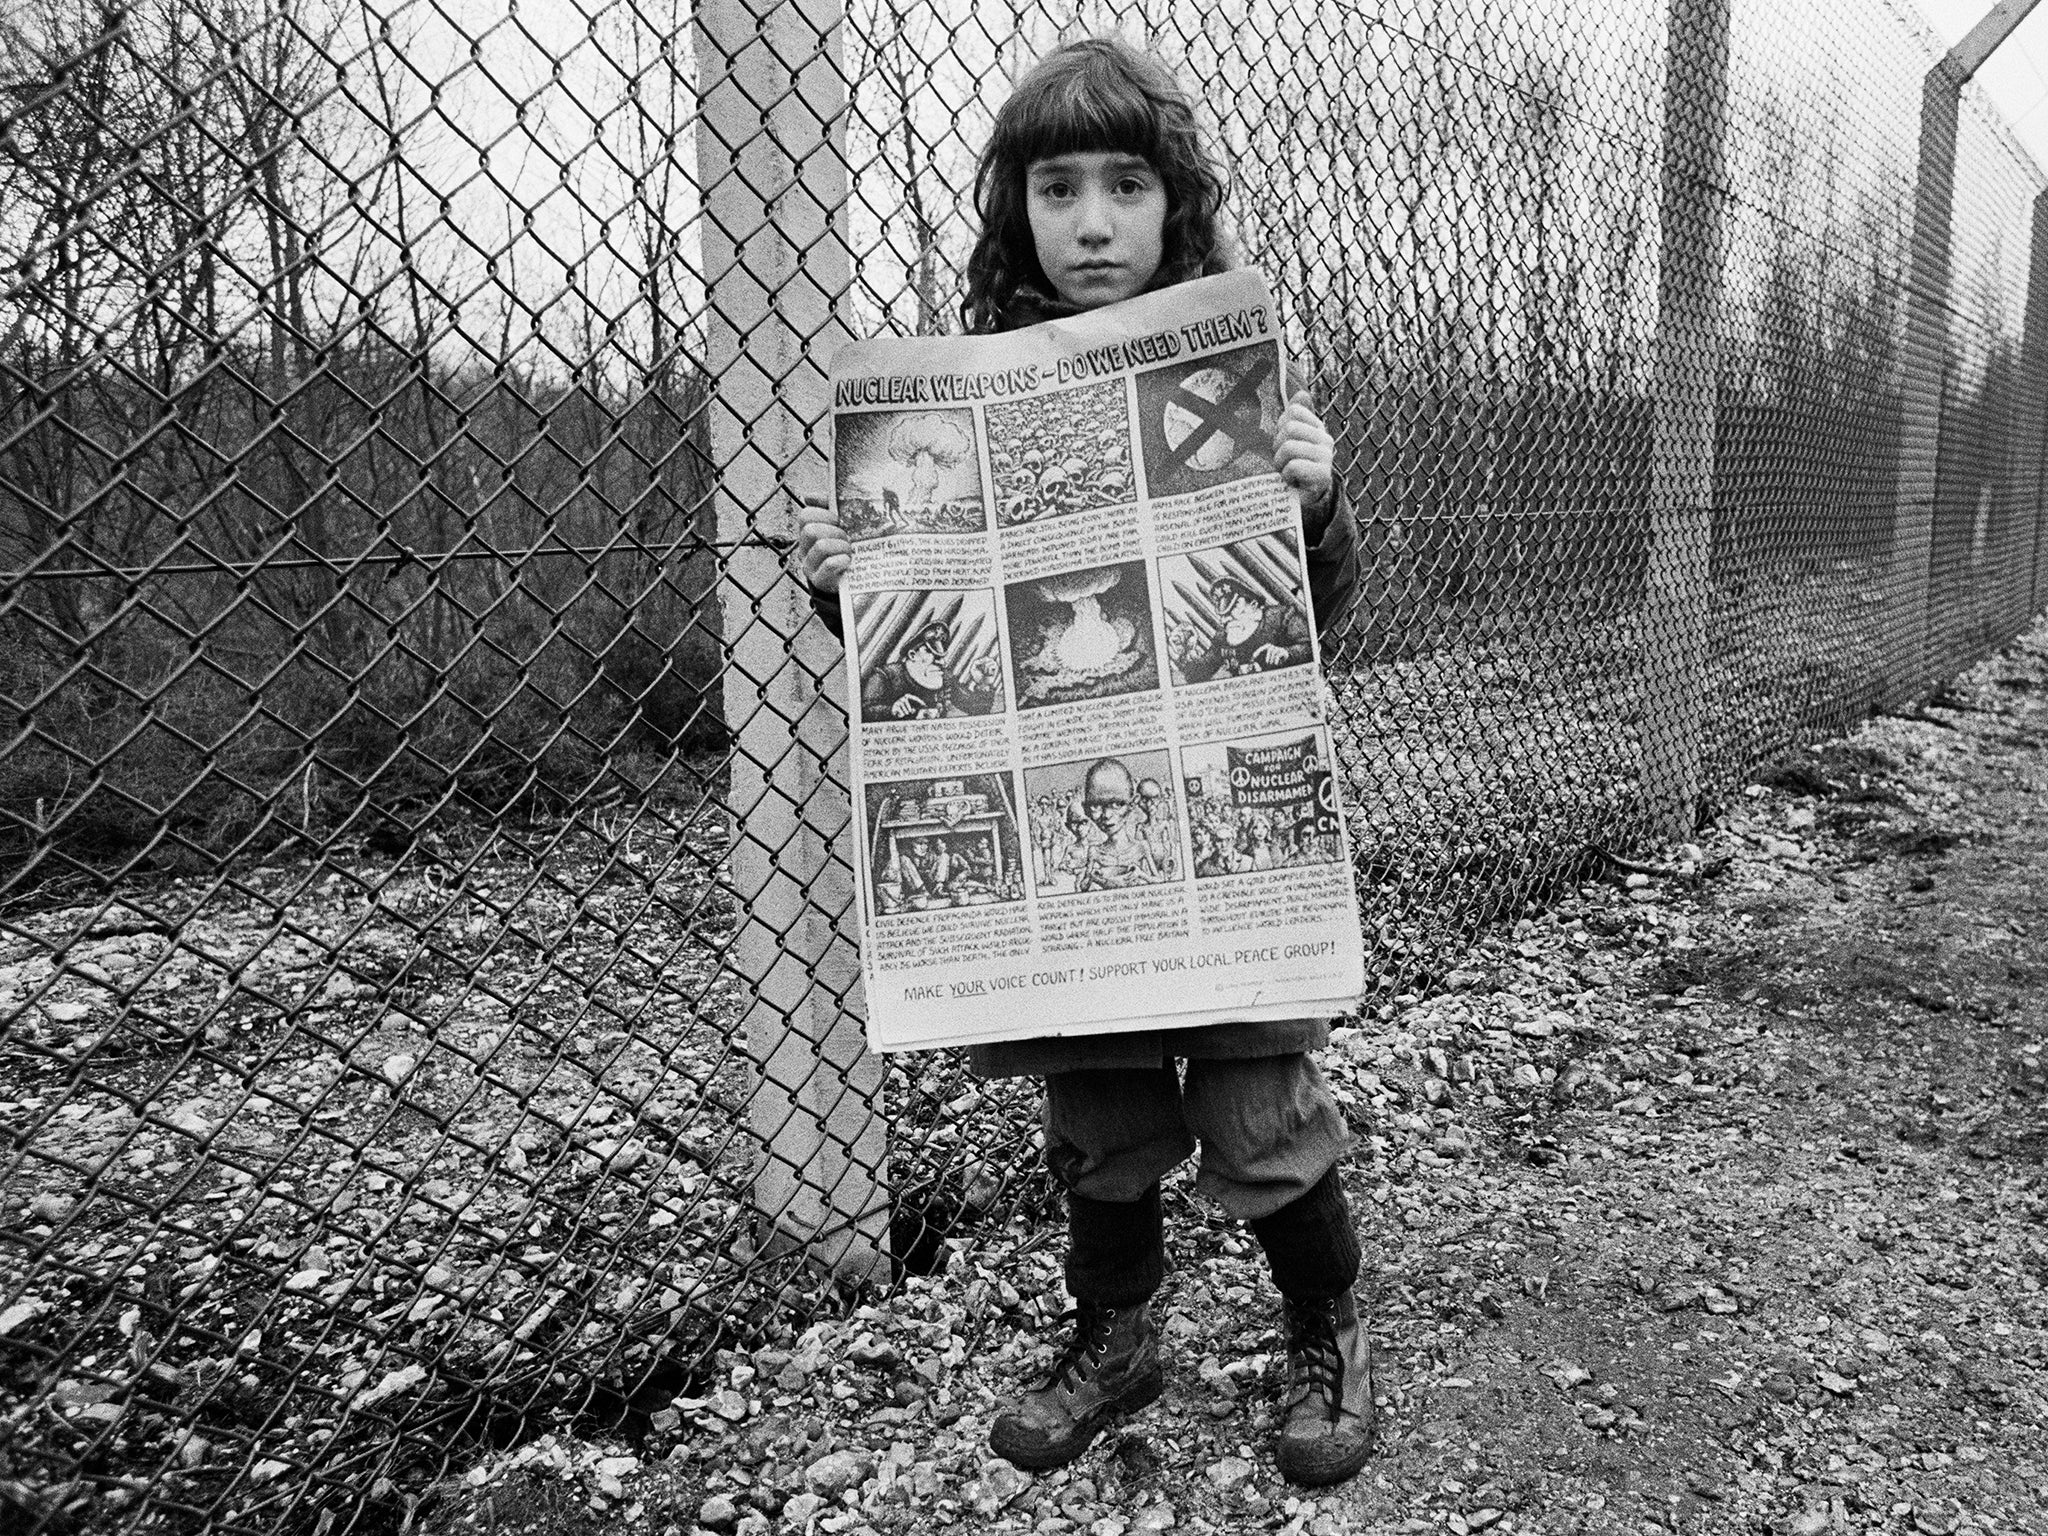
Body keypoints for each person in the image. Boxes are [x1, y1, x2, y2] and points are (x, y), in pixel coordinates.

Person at [795, 36, 1371, 1488]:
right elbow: (931, 668)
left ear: (1177, 204)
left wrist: (1310, 501)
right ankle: (1119, 1338)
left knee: (1259, 1112)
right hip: (1064, 849)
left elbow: (1314, 622)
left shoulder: (1225, 386)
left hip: (1222, 831)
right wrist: (856, 585)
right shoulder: (956, 404)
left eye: (1128, 184)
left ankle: (1328, 1324)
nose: (1096, 221)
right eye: (1059, 188)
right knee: (1102, 1119)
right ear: (1019, 211)